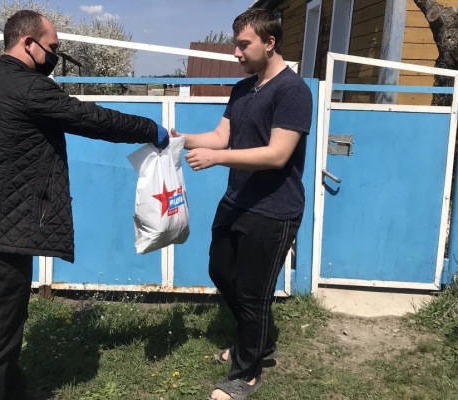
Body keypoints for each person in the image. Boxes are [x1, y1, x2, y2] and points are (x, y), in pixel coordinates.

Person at [0, 10, 168, 400]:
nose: (55, 55)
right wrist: (149, 129)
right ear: (28, 44)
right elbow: (93, 118)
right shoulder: (27, 87)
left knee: (3, 328)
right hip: (3, 235)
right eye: (52, 47)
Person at [171, 8, 312, 400]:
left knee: (253, 294)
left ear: (269, 43)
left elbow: (277, 154)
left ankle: (247, 372)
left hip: (274, 209)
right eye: (236, 43)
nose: (236, 52)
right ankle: (259, 339)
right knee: (220, 270)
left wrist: (217, 159)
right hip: (236, 201)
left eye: (243, 44)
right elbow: (221, 136)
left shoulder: (292, 91)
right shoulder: (243, 89)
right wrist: (180, 138)